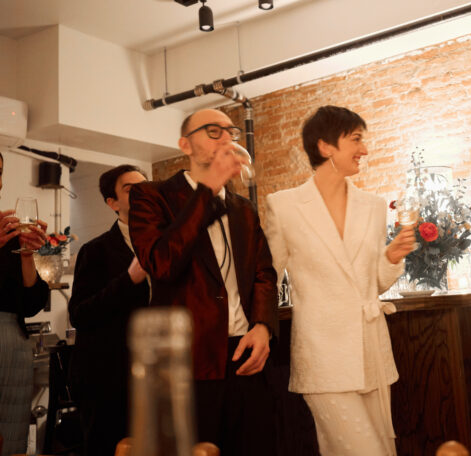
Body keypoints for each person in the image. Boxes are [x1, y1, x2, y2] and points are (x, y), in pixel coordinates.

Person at [263, 105, 414, 456]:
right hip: (322, 356)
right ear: (325, 146)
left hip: (371, 350)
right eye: (356, 139)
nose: (365, 149)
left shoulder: (373, 206)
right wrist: (257, 327)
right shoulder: (284, 206)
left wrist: (391, 257)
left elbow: (372, 283)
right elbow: (266, 276)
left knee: (379, 449)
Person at [129, 109, 279, 456]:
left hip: (246, 355)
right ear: (185, 145)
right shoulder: (152, 196)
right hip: (188, 364)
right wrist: (207, 190)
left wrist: (263, 326)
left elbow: (264, 273)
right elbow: (162, 264)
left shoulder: (243, 208)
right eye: (213, 131)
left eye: (231, 132)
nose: (226, 138)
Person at [68, 164, 150, 456]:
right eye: (130, 189)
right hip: (109, 379)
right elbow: (79, 313)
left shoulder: (167, 245)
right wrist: (128, 280)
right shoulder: (95, 251)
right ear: (112, 203)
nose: (142, 193)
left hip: (155, 373)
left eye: (145, 186)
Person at [0, 151, 51, 456]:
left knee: (12, 437)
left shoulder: (8, 232)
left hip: (13, 342)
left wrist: (28, 255)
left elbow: (31, 303)